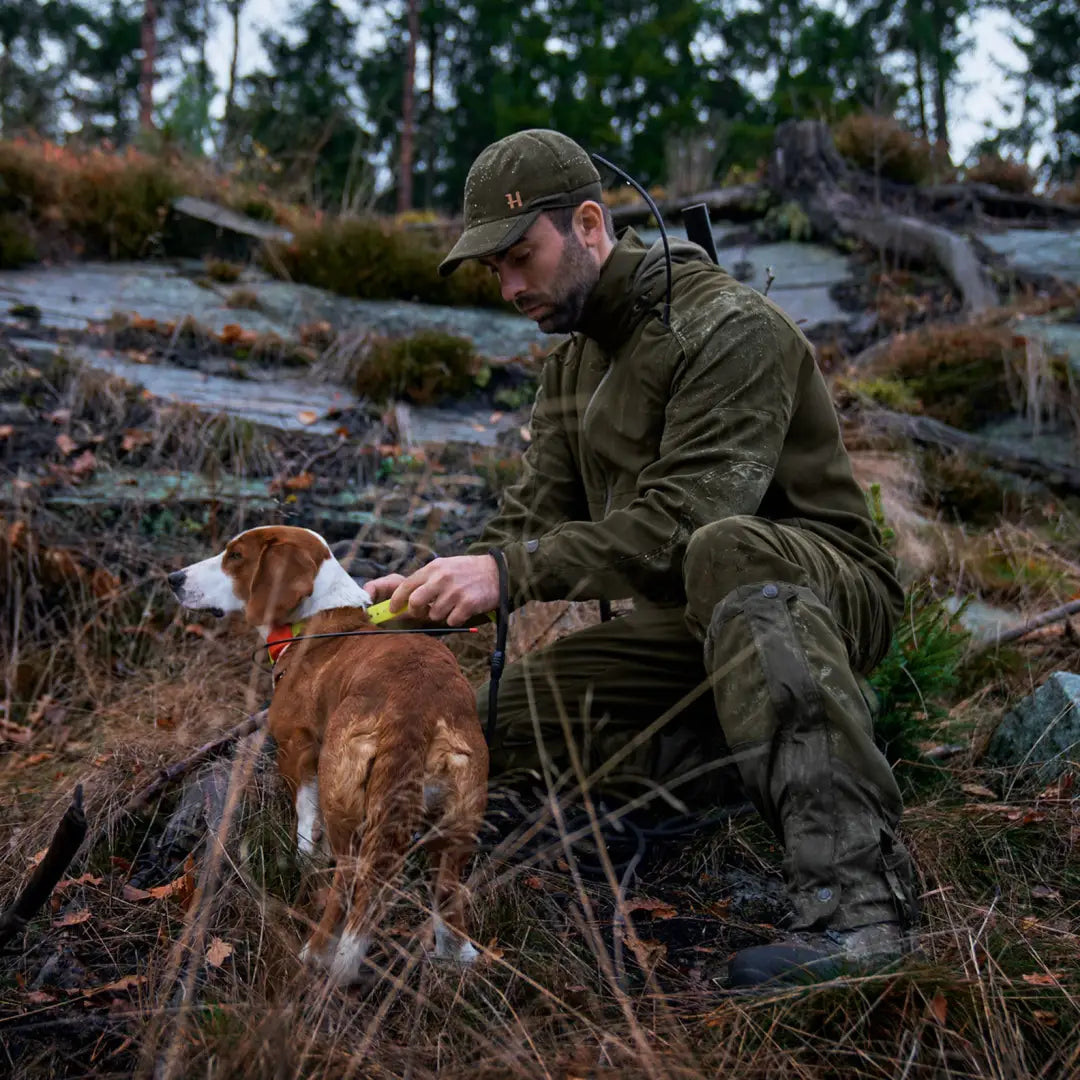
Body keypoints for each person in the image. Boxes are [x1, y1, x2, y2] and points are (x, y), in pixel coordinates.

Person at [364, 128, 918, 987]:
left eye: (520, 256)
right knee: (489, 723)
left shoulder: (730, 327)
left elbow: (685, 521)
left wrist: (509, 575)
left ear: (590, 223)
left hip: (817, 593)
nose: (510, 288)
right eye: (493, 271)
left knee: (726, 551)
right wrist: (429, 588)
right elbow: (533, 518)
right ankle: (734, 765)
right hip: (687, 626)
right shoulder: (572, 364)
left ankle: (863, 921)